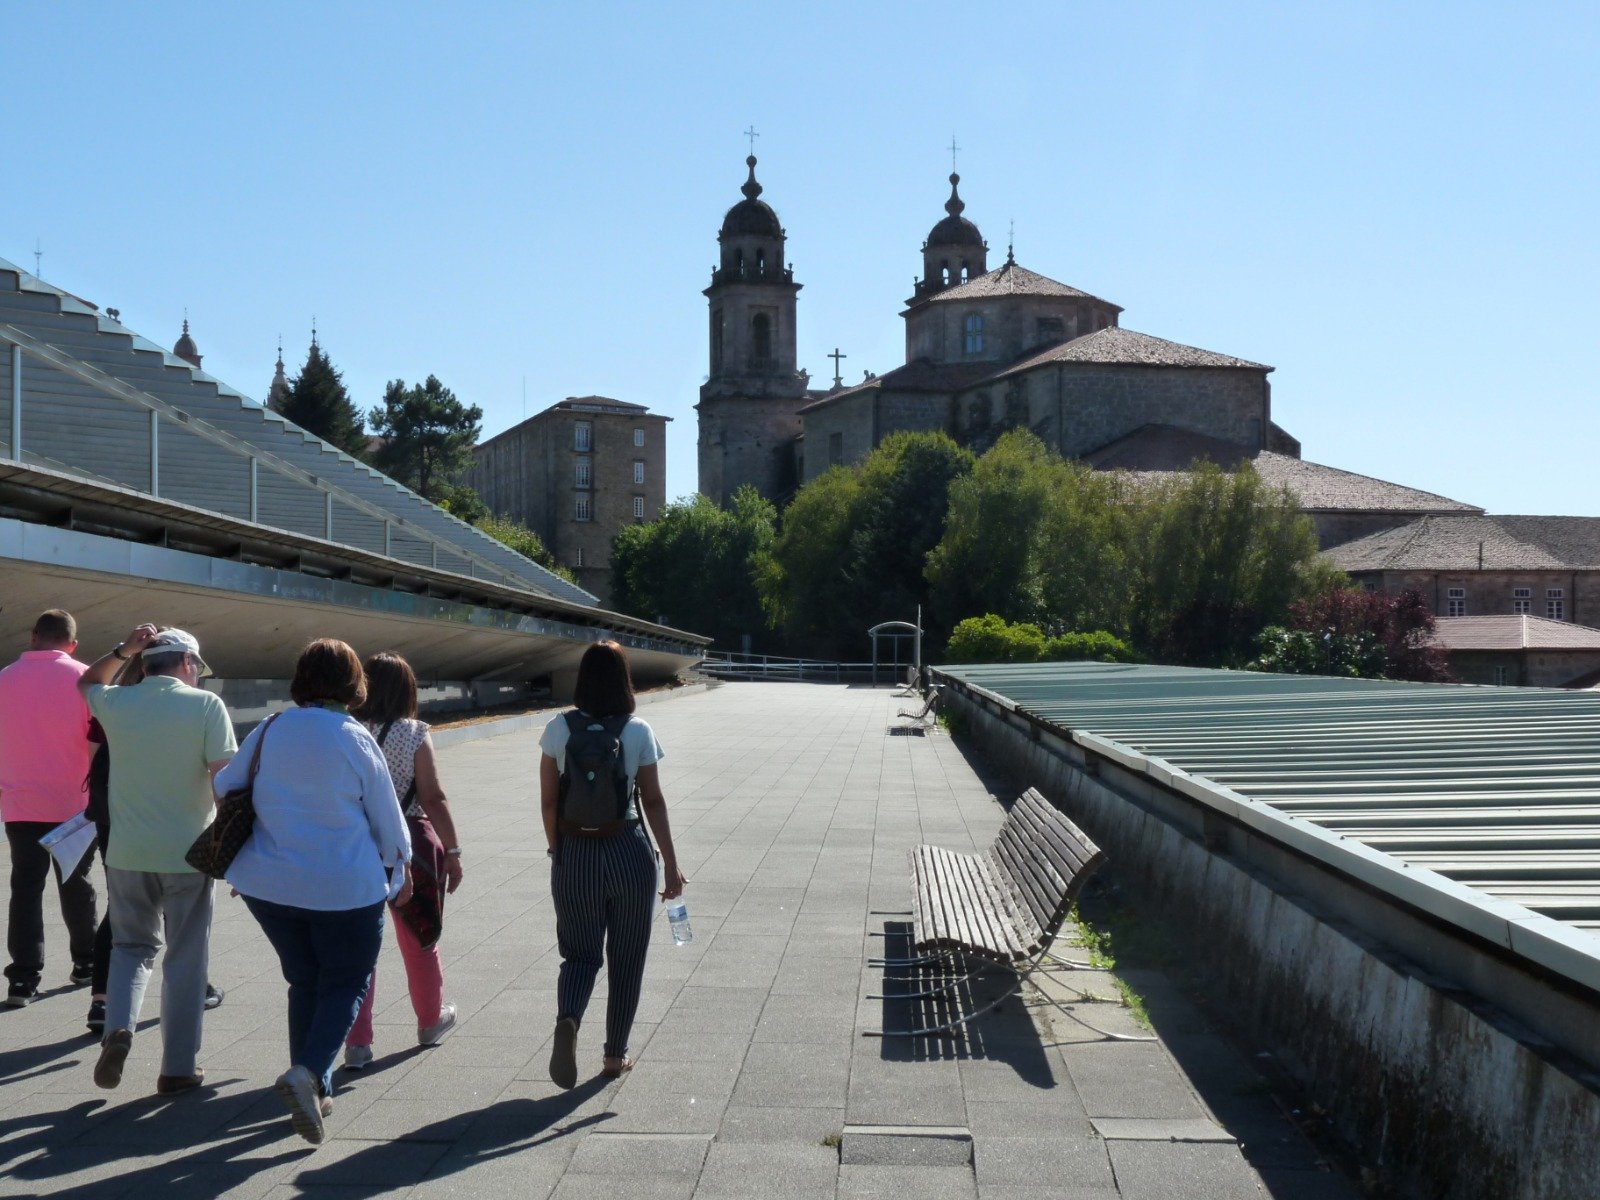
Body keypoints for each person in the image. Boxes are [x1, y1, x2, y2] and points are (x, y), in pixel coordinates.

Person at [220, 639, 411, 1146]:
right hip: (344, 886)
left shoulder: (270, 728)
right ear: (354, 683)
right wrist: (401, 866)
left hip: (269, 885)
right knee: (347, 980)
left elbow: (225, 787)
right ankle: (307, 1073)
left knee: (304, 980)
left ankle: (314, 1088)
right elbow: (387, 818)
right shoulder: (354, 737)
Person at [79, 625, 236, 1096]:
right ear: (187, 662)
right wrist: (235, 849)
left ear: (145, 662)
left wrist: (122, 649)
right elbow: (225, 783)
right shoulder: (206, 705)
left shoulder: (117, 703)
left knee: (130, 947)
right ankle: (177, 1069)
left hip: (127, 852)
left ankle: (118, 1028)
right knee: (186, 956)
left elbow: (87, 681)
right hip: (189, 854)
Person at [540, 640, 685, 1088]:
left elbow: (548, 803)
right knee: (627, 958)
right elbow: (653, 800)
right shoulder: (638, 730)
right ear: (624, 680)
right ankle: (614, 1055)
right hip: (628, 851)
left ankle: (569, 1017)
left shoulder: (558, 729)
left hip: (575, 854)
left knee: (580, 954)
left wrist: (558, 850)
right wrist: (672, 864)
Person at [342, 651, 465, 1070]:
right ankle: (430, 1020)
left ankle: (357, 1043)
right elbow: (432, 796)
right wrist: (453, 851)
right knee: (419, 936)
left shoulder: (348, 730)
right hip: (410, 847)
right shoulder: (414, 733)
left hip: (357, 844)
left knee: (359, 945)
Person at [0, 610, 98, 1008]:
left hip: (19, 802)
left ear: (32, 636)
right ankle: (86, 963)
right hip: (75, 804)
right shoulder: (86, 678)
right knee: (76, 884)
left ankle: (22, 981)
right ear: (72, 644)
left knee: (25, 889)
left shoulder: (4, 679)